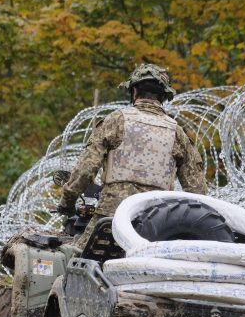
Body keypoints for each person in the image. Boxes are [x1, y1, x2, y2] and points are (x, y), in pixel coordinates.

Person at [57, 63, 208, 248]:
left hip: (111, 218)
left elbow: (85, 170)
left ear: (134, 91)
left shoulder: (116, 120)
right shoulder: (177, 133)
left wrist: (67, 202)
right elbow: (198, 191)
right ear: (163, 97)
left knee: (75, 260)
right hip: (156, 225)